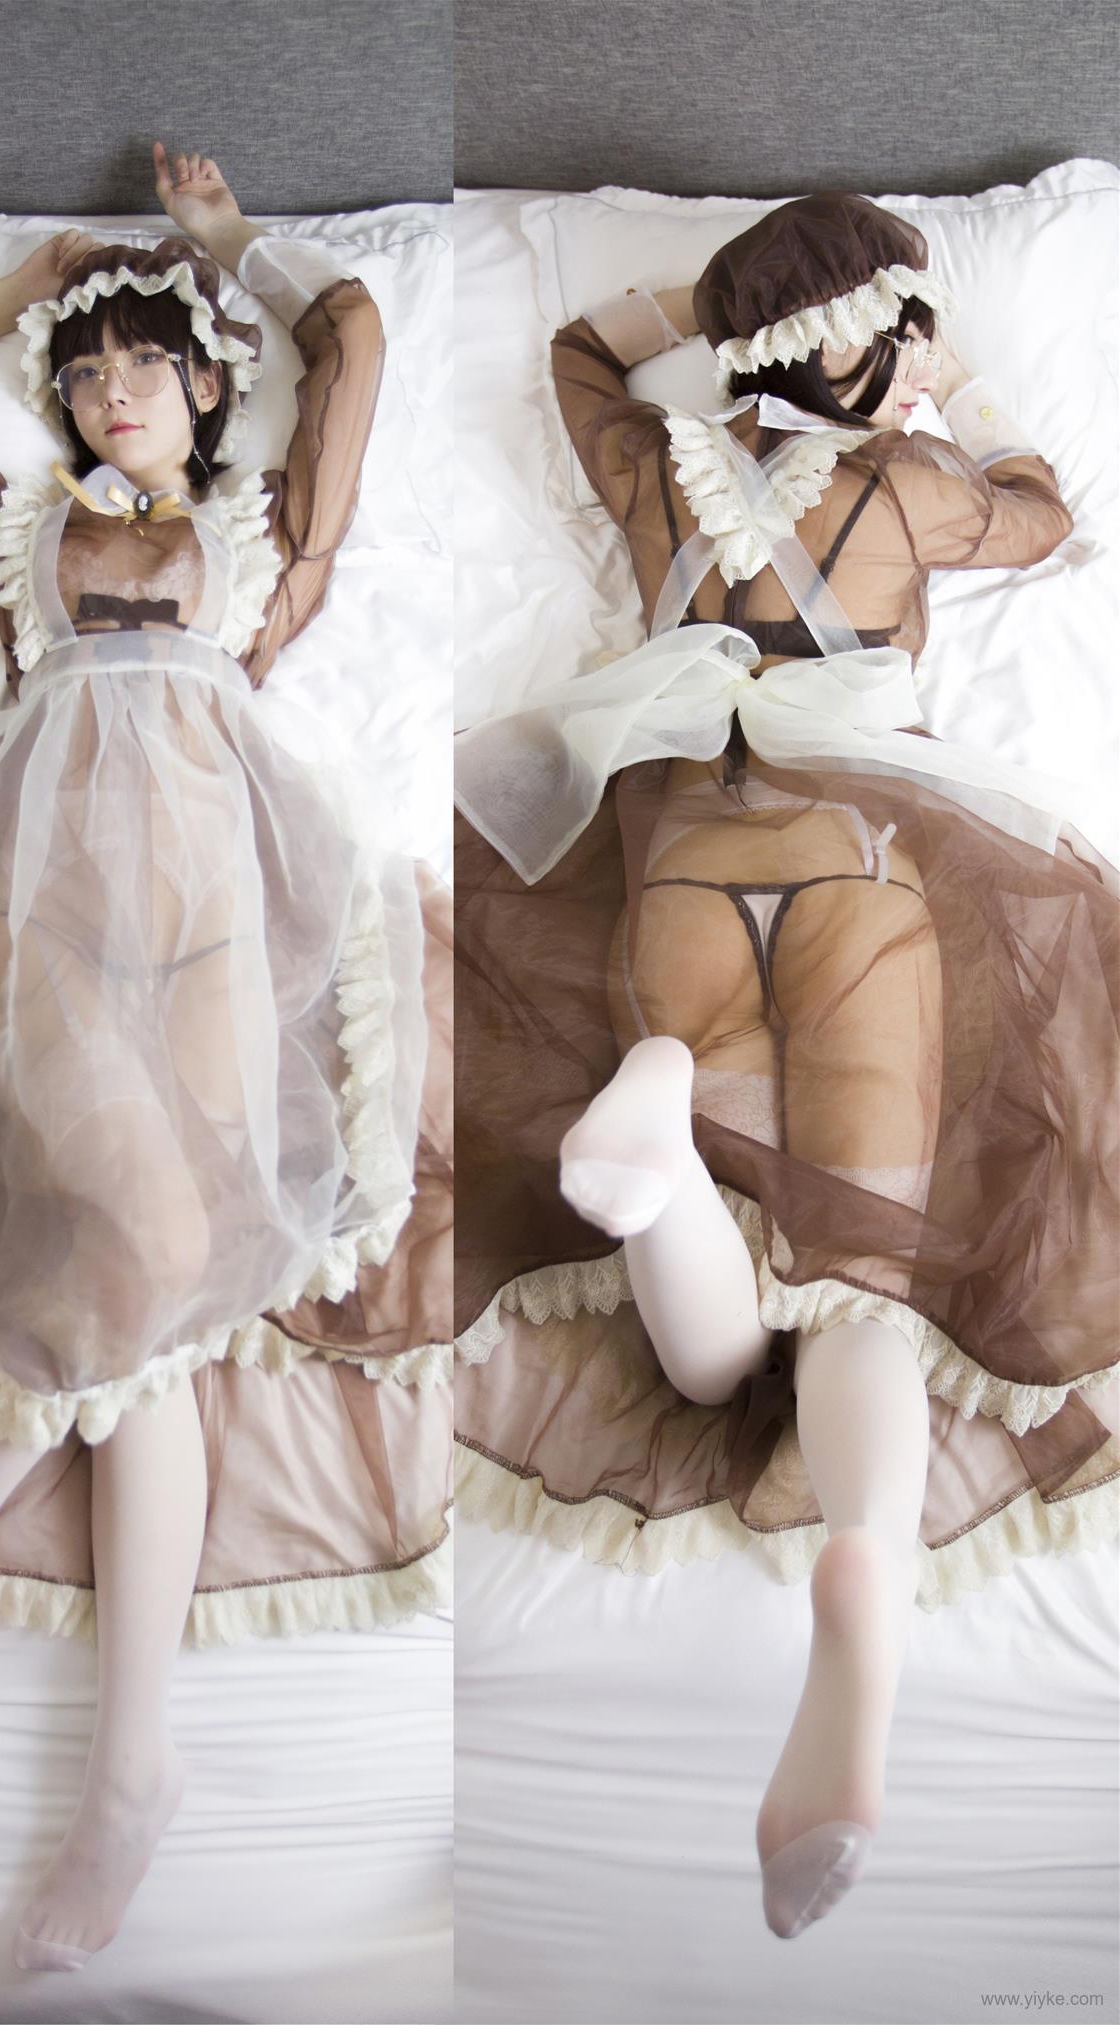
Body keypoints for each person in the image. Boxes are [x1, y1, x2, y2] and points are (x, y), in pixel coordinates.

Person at [0, 144, 443, 1972]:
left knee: (163, 1284)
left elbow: (357, 334)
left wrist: (222, 244)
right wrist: (29, 279)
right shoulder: (20, 537)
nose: (109, 386)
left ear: (213, 388)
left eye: (145, 359)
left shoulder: (266, 548)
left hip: (228, 924)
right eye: (82, 370)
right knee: (146, 1243)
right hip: (36, 916)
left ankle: (107, 1738)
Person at [453, 190, 1118, 1941]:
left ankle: (660, 1146)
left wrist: (734, 311)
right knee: (859, 1278)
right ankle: (861, 1589)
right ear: (873, 348)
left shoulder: (657, 471)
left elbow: (581, 344)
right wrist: (951, 387)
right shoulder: (905, 485)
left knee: (709, 1358)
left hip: (680, 849)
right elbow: (1049, 514)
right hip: (861, 852)